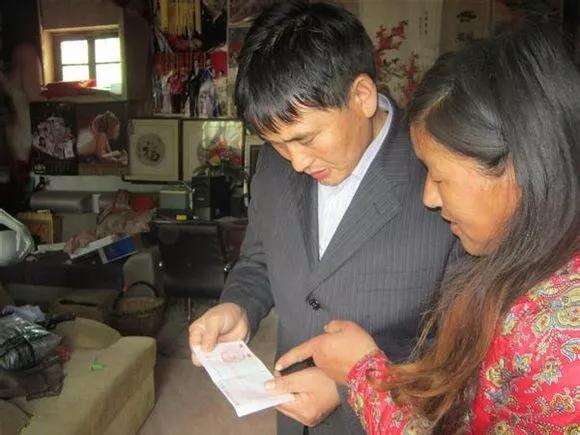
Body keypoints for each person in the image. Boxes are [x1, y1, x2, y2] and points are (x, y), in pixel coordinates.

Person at [272, 24, 579, 434]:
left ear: (516, 169)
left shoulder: (560, 343)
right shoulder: (525, 267)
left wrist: (364, 375)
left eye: (439, 175)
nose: (429, 197)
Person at [189, 2, 459, 434]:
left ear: (362, 96)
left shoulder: (438, 174)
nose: (295, 162)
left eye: (306, 138)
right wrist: (238, 306)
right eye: (277, 143)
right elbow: (259, 260)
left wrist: (351, 382)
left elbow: (463, 337)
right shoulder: (274, 165)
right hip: (292, 419)